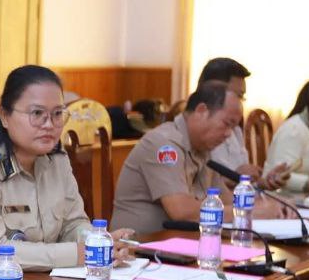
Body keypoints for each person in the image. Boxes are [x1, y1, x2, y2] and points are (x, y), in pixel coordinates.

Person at [0, 65, 134, 280]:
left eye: (57, 114)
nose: (49, 125)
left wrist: (97, 242)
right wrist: (79, 253)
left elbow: (73, 223)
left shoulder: (57, 161)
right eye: (37, 113)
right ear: (4, 116)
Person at [111, 81, 289, 236]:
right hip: (139, 250)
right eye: (226, 124)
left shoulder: (202, 148)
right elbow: (182, 211)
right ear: (202, 110)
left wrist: (271, 206)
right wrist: (247, 212)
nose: (229, 134)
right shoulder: (164, 144)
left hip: (180, 245)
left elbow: (225, 198)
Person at [196, 57, 290, 189]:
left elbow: (243, 183)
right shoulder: (193, 132)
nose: (240, 103)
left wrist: (264, 182)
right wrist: (235, 176)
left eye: (242, 97)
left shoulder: (235, 130)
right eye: (238, 96)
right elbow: (196, 188)